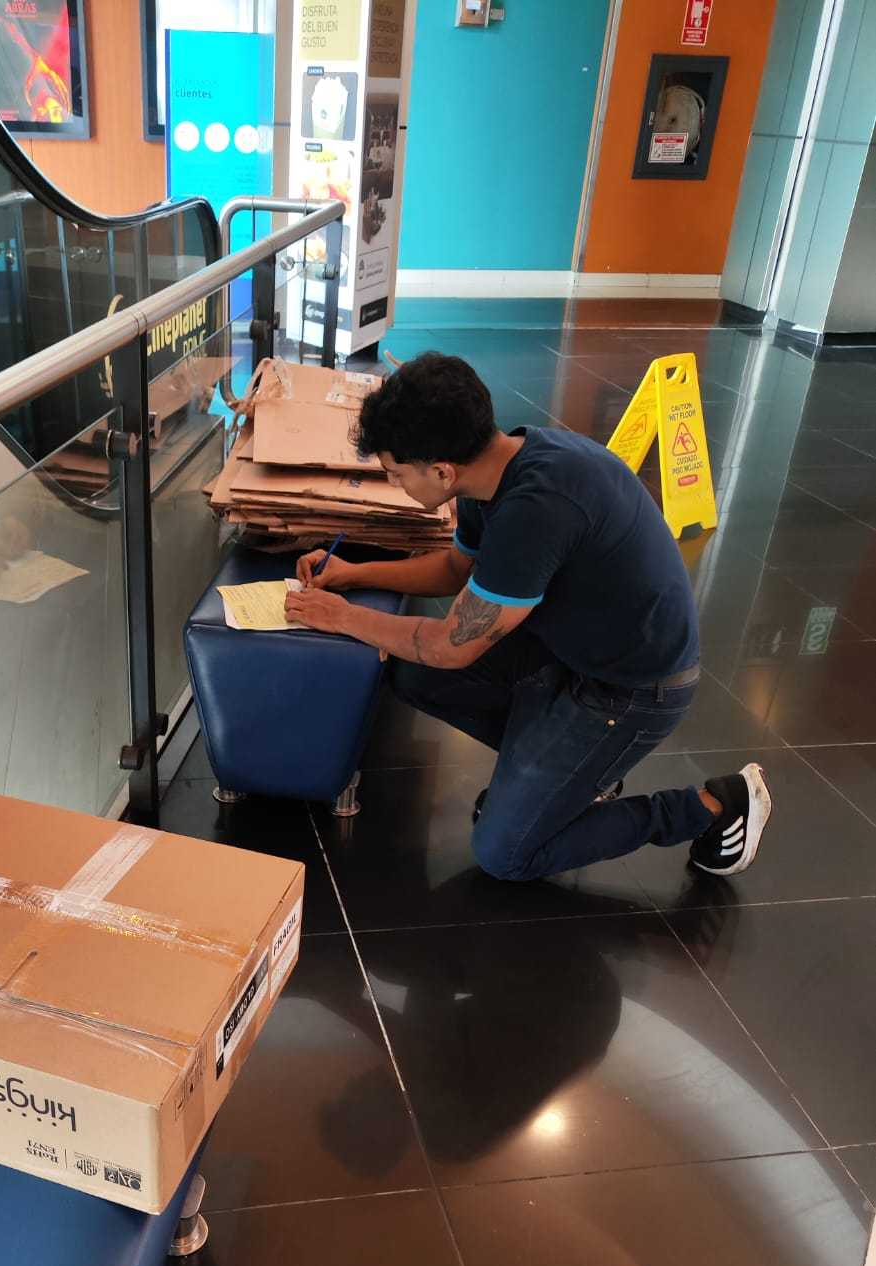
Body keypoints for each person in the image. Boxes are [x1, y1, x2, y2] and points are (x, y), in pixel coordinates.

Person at [284, 352, 772, 881]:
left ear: (442, 471)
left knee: (506, 854)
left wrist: (342, 617)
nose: (395, 482)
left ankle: (713, 807)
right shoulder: (494, 467)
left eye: (396, 473)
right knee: (411, 672)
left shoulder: (536, 509)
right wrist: (352, 574)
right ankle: (572, 778)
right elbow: (453, 570)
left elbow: (451, 644)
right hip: (572, 649)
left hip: (634, 688)